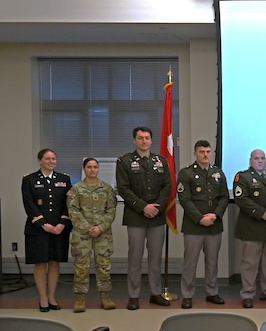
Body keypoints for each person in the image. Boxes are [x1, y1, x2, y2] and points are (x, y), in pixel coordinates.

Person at [116, 126, 172, 310]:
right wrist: (143, 207)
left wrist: (156, 207)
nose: (144, 141)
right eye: (140, 138)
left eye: (147, 138)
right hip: (136, 216)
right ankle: (134, 296)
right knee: (135, 258)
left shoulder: (161, 161)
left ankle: (155, 293)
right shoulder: (125, 161)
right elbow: (123, 188)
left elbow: (167, 187)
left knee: (155, 258)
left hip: (156, 215)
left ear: (151, 140)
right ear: (134, 140)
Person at [177, 140, 229, 309]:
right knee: (190, 262)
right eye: (202, 152)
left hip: (214, 224)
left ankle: (212, 292)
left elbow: (223, 197)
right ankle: (187, 295)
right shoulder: (186, 173)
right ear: (195, 153)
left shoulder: (218, 173)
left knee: (212, 261)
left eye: (208, 152)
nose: (205, 155)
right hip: (194, 226)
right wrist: (200, 218)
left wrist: (216, 215)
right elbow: (184, 199)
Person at [22, 148, 72, 312]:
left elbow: (68, 205)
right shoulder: (29, 180)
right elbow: (29, 204)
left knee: (54, 262)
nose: (51, 161)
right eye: (47, 159)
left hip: (59, 228)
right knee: (40, 263)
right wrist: (43, 224)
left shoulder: (64, 179)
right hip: (38, 229)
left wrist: (62, 224)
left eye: (53, 159)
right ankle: (43, 297)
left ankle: (52, 296)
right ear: (39, 160)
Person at [233, 149, 266, 308]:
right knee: (250, 263)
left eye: (262, 158)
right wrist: (262, 213)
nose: (260, 161)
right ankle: (247, 294)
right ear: (251, 161)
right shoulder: (242, 177)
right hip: (252, 227)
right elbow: (242, 199)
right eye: (256, 158)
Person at [67, 158, 117, 313]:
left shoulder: (107, 189)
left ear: (98, 169)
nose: (92, 170)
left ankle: (105, 297)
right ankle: (80, 299)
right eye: (89, 167)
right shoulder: (76, 189)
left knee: (104, 266)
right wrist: (88, 228)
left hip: (102, 234)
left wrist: (100, 228)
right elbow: (73, 210)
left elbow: (111, 210)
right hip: (82, 235)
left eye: (95, 167)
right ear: (84, 169)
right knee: (81, 266)